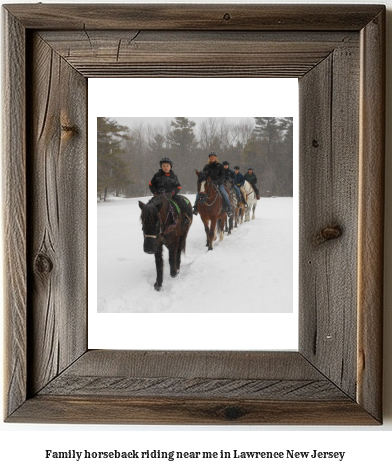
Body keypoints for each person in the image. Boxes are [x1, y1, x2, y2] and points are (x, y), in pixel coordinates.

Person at [149, 157, 191, 224]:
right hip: (159, 196)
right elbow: (151, 185)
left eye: (167, 166)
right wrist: (155, 192)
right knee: (149, 205)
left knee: (182, 202)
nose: (165, 167)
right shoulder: (157, 175)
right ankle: (149, 219)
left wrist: (173, 192)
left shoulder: (173, 176)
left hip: (171, 195)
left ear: (170, 167)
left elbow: (178, 186)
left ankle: (185, 217)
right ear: (161, 167)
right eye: (163, 166)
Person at [193, 152, 233, 216]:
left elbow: (222, 175)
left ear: (216, 158)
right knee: (199, 193)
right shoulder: (206, 166)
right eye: (211, 157)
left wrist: (218, 181)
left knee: (224, 192)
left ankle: (229, 207)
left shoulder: (220, 166)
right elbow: (203, 176)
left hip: (218, 183)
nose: (212, 158)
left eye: (213, 157)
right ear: (209, 158)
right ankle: (195, 207)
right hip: (208, 184)